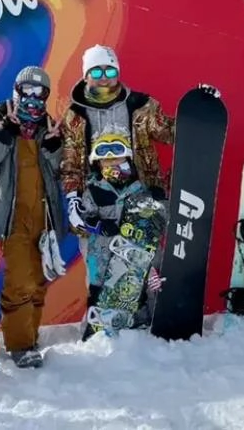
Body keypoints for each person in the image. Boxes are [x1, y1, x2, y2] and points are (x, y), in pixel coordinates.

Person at [59, 44, 216, 306]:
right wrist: (74, 199)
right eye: (96, 72)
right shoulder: (75, 115)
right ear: (86, 75)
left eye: (109, 70)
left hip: (141, 196)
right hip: (98, 203)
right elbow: (71, 161)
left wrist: (200, 107)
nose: (104, 77)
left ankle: (148, 322)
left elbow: (169, 132)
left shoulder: (141, 106)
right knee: (100, 265)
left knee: (147, 262)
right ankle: (103, 326)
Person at [0, 66, 66, 369]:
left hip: (43, 216)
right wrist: (5, 134)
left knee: (39, 281)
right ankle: (20, 344)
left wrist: (54, 150)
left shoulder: (47, 125)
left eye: (40, 93)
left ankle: (30, 335)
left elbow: (58, 172)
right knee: (20, 281)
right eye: (26, 90)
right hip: (11, 216)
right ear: (16, 89)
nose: (33, 99)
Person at [79, 125, 168, 339]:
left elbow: (157, 221)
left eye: (117, 160)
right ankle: (95, 332)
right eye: (106, 161)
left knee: (134, 285)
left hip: (133, 252)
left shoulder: (139, 189)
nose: (112, 165)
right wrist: (99, 224)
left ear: (127, 159)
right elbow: (83, 220)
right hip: (101, 251)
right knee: (99, 288)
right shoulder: (93, 191)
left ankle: (140, 322)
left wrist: (159, 200)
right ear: (97, 164)